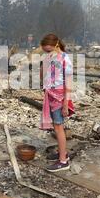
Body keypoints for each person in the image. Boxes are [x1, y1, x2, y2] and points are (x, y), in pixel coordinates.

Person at [39, 33, 75, 172]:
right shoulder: (50, 58)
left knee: (59, 128)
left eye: (48, 50)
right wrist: (45, 62)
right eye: (45, 51)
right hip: (51, 95)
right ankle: (62, 153)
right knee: (56, 127)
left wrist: (66, 103)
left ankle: (63, 161)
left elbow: (69, 83)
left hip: (60, 98)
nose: (47, 53)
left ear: (56, 46)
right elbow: (42, 76)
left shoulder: (65, 59)